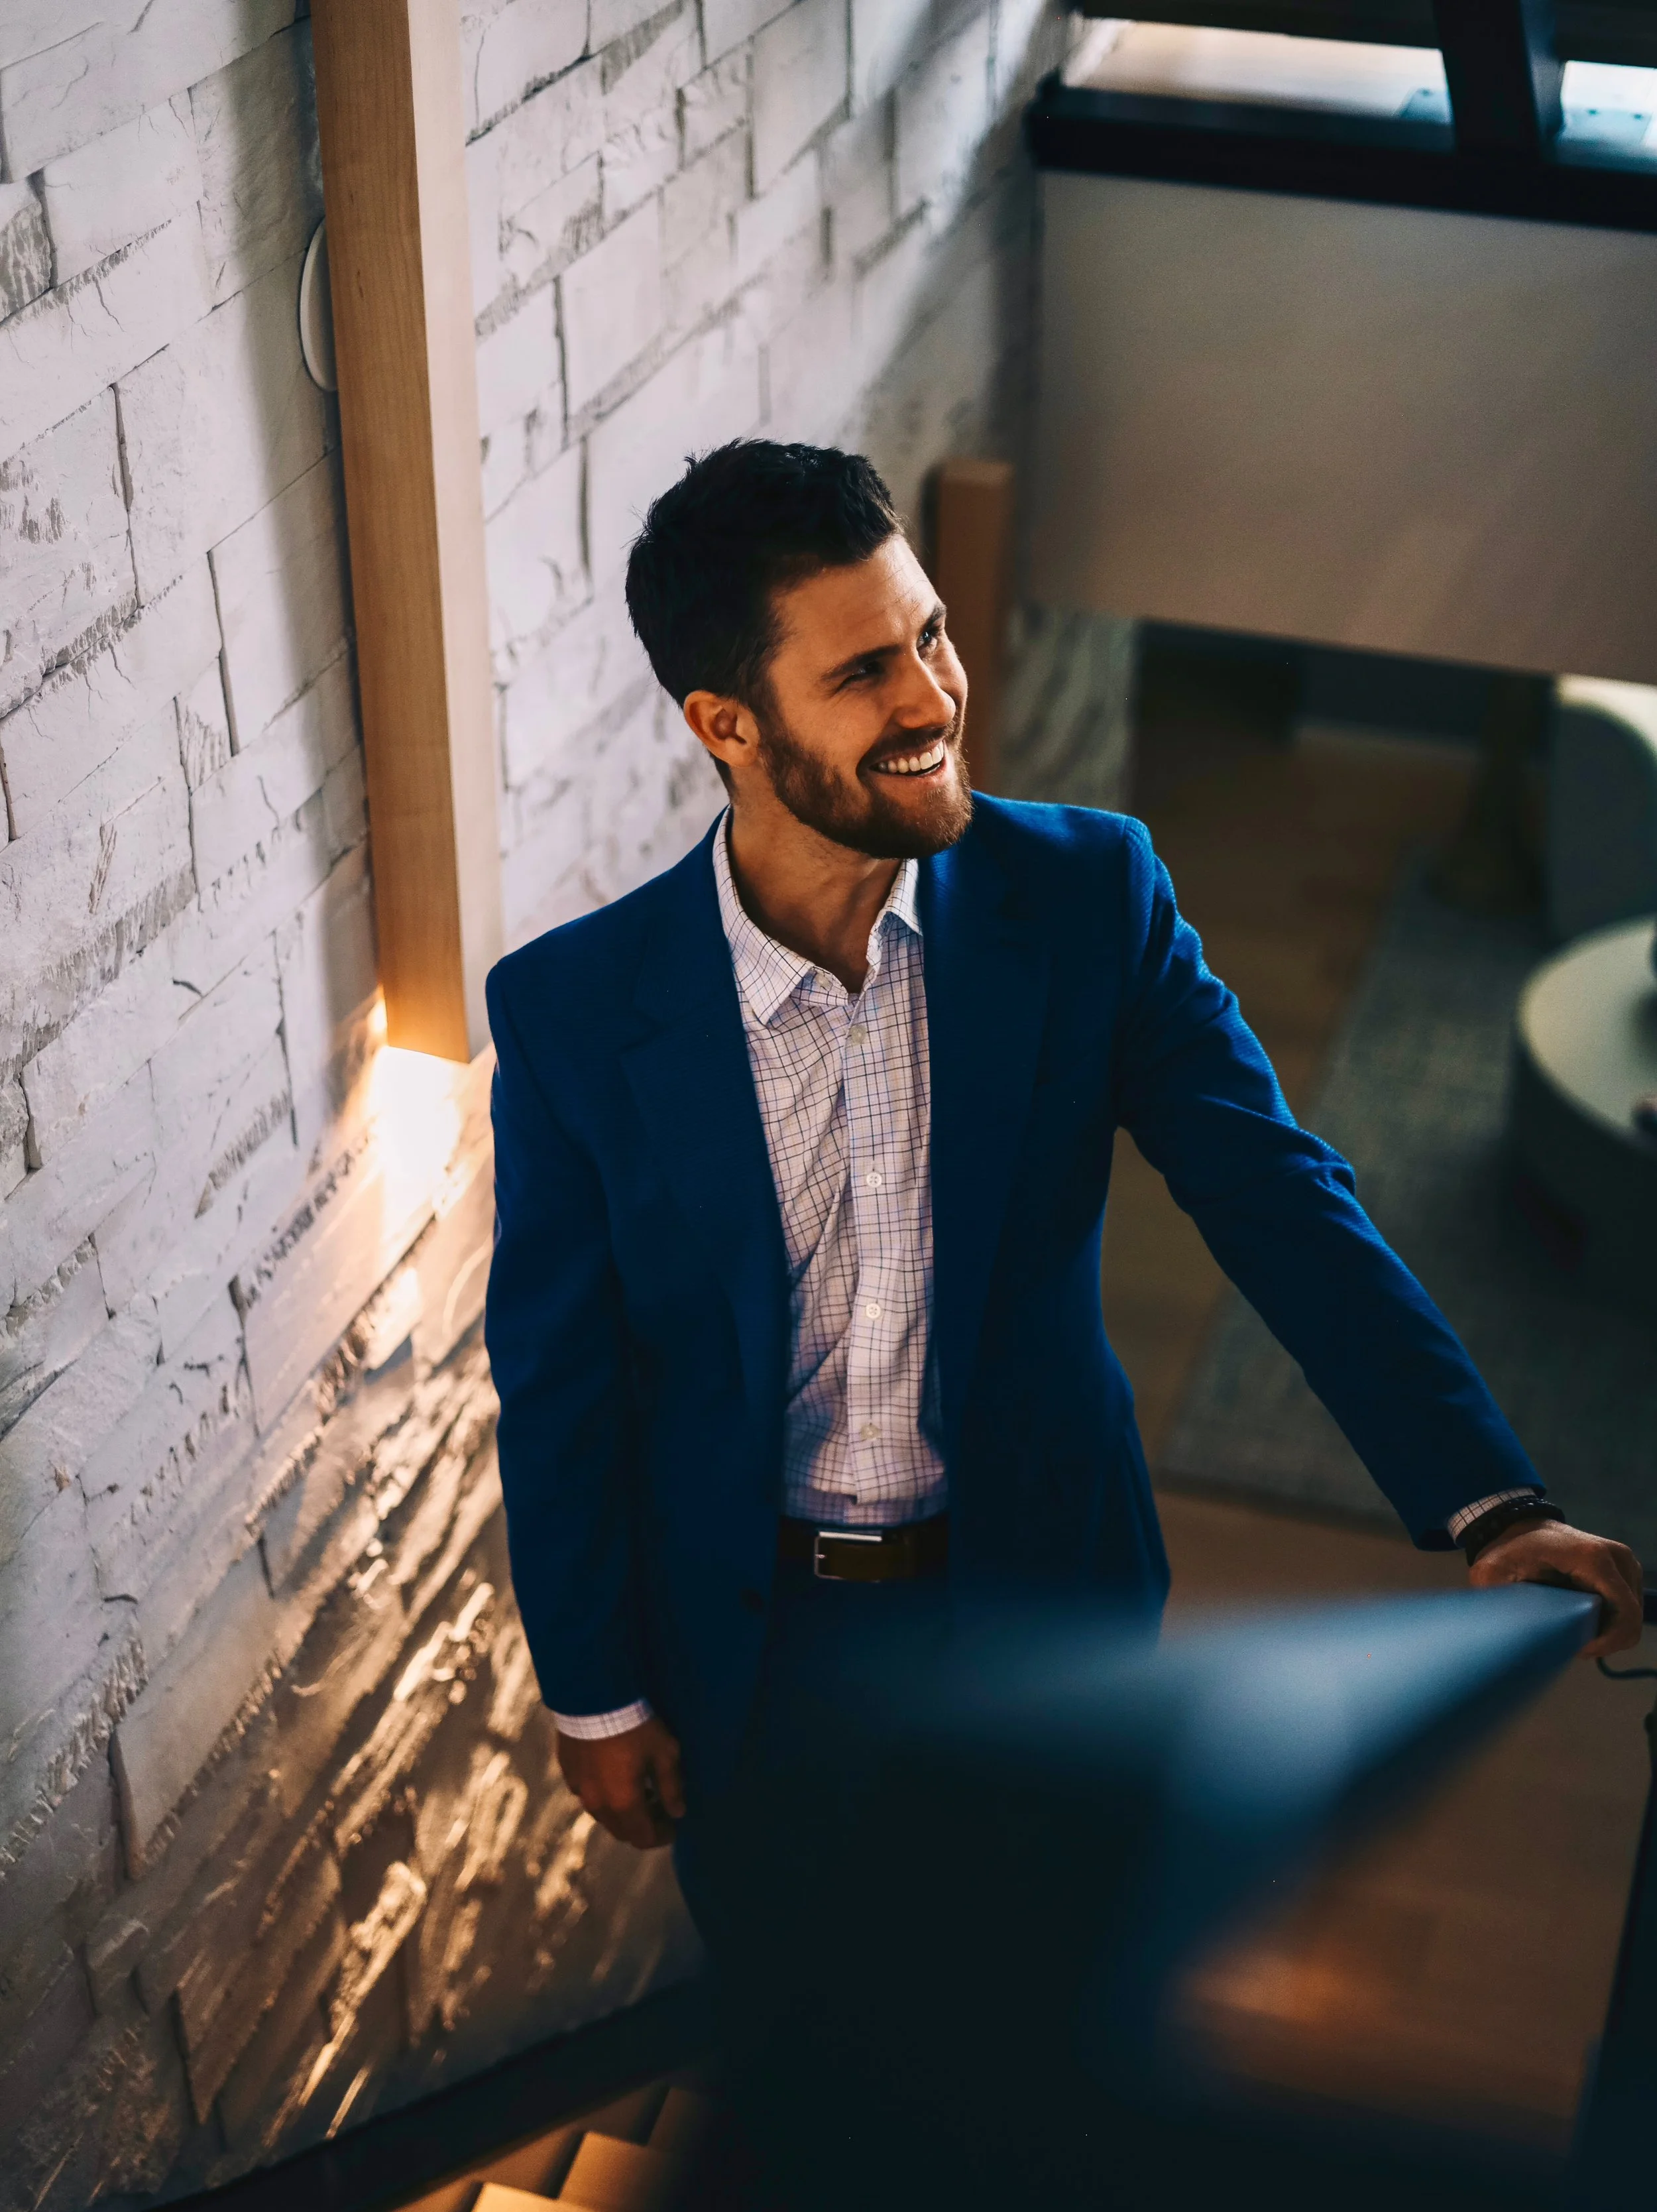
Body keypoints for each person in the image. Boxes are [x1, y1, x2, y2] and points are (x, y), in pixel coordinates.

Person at [483, 439, 1644, 1918]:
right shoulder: (575, 1014)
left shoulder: (1091, 897)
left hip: (1040, 1596)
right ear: (725, 723)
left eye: (929, 635)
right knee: (799, 2001)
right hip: (745, 1632)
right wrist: (593, 1692)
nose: (929, 700)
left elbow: (1278, 1201)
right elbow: (559, 1379)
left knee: (1054, 1956)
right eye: (859, 678)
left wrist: (1490, 1504)